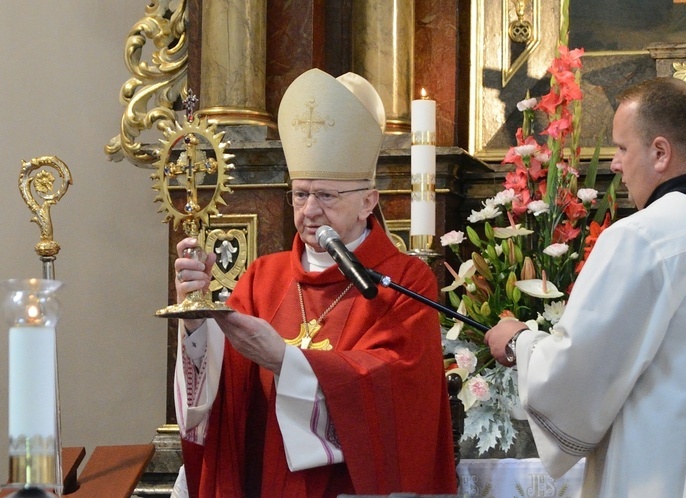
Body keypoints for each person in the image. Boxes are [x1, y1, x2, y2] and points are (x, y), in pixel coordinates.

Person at [169, 68, 457, 497]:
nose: (309, 211)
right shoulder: (263, 277)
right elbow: (224, 395)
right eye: (300, 194)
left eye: (326, 195)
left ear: (368, 202)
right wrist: (196, 322)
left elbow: (400, 392)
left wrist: (287, 362)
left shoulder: (403, 281)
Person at [485, 76, 686, 497]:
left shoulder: (643, 238)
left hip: (653, 472)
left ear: (661, 152)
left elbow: (579, 369)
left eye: (623, 148)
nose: (615, 163)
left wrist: (519, 343)